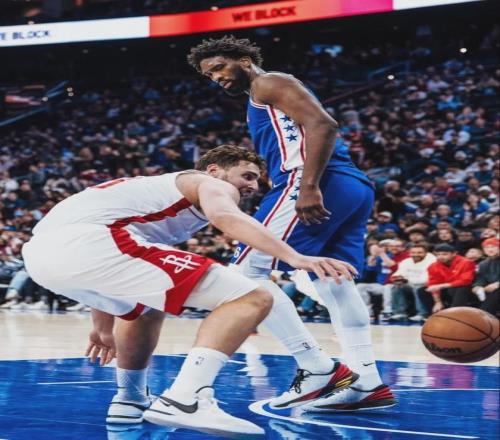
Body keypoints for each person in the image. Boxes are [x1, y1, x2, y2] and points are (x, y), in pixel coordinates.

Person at [22, 145, 357, 436]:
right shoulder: (208, 183)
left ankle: (130, 400)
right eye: (248, 176)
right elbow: (225, 216)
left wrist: (102, 326)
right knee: (252, 296)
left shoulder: (152, 194)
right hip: (93, 241)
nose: (254, 186)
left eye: (257, 180)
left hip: (43, 257)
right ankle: (187, 398)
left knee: (144, 310)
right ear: (214, 170)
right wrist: (296, 258)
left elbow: (101, 259)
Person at [188, 36, 396, 411]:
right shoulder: (263, 94)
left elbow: (323, 125)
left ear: (244, 60)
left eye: (219, 67)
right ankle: (366, 382)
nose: (216, 78)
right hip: (350, 186)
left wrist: (309, 185)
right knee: (334, 279)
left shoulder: (269, 82)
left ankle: (315, 368)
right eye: (209, 75)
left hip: (311, 181)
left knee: (244, 274)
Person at [389, 243, 436, 322]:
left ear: (426, 253)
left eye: (419, 252)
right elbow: (398, 273)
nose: (416, 255)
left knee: (418, 287)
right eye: (413, 252)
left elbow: (424, 280)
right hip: (409, 284)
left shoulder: (432, 262)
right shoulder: (406, 261)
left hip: (426, 287)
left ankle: (422, 314)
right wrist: (398, 278)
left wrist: (406, 279)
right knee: (397, 286)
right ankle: (400, 313)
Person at [424, 243, 477, 314]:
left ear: (454, 254)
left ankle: (454, 314)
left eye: (444, 254)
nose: (440, 257)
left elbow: (466, 280)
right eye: (438, 254)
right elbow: (433, 283)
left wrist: (442, 286)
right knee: (423, 290)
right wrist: (438, 302)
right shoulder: (433, 266)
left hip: (466, 289)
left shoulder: (466, 262)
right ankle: (434, 314)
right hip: (447, 289)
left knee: (462, 288)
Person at [472, 238, 499, 317]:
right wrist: (477, 286)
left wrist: (497, 284)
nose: (490, 250)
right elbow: (481, 278)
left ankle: (484, 316)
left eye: (493, 247)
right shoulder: (483, 264)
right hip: (489, 289)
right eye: (487, 247)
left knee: (496, 291)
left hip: (496, 289)